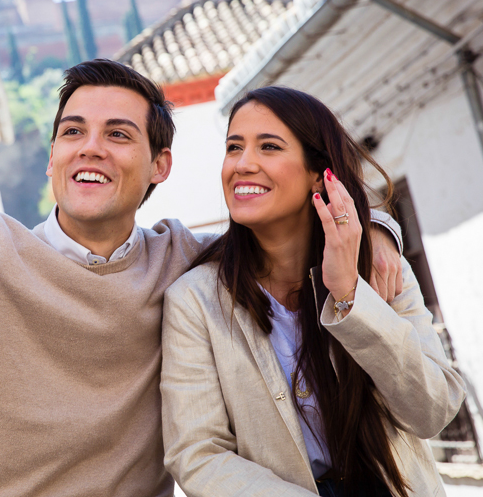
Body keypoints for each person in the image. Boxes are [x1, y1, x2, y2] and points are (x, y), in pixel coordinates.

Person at [0, 2, 406, 496]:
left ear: (160, 165)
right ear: (52, 156)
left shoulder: (184, 263)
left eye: (118, 134)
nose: (90, 148)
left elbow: (289, 232)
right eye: (72, 132)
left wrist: (377, 227)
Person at [160, 86, 467, 497]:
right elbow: (198, 455)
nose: (243, 163)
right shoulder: (194, 301)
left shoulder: (379, 268)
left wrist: (350, 297)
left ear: (318, 173)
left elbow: (431, 412)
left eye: (269, 146)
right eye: (234, 147)